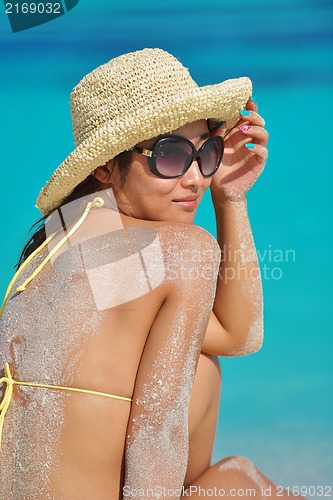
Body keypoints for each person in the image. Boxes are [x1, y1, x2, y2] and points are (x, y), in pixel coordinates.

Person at [0, 48, 302, 499]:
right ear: (105, 167)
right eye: (170, 154)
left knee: (202, 367)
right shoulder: (182, 251)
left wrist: (231, 199)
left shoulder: (65, 242)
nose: (196, 178)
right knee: (239, 481)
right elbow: (155, 440)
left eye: (206, 152)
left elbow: (239, 334)